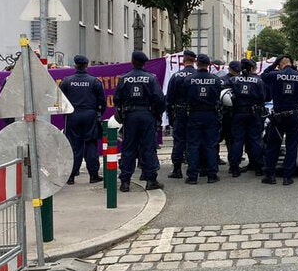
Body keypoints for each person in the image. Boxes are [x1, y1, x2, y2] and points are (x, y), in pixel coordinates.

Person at [113, 51, 165, 192]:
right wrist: (156, 114)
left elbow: (117, 99)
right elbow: (160, 100)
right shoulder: (151, 78)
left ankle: (125, 182)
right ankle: (151, 180)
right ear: (144, 63)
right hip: (147, 115)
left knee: (128, 148)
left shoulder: (124, 78)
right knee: (148, 147)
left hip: (130, 116)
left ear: (132, 61)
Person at [59, 56, 106, 184]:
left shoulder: (67, 81)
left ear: (75, 66)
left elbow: (60, 99)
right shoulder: (94, 81)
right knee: (91, 144)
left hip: (72, 115)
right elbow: (102, 101)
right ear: (86, 65)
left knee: (74, 146)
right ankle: (93, 175)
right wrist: (98, 113)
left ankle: (71, 176)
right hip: (90, 115)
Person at [261, 54, 298, 185]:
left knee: (273, 145)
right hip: (294, 114)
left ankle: (270, 175)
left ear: (280, 64)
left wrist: (273, 65)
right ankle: (287, 177)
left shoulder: (275, 75)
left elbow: (263, 76)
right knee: (291, 146)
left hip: (278, 116)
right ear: (291, 63)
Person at [182, 54, 224, 184]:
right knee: (211, 145)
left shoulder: (189, 80)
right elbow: (219, 97)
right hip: (211, 114)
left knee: (193, 145)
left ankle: (193, 176)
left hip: (194, 114)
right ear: (209, 65)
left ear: (197, 63)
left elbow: (184, 97)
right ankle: (212, 174)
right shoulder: (216, 80)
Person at [227, 58, 266, 178]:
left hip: (238, 113)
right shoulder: (258, 81)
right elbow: (262, 98)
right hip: (254, 114)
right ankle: (258, 168)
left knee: (237, 141)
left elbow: (226, 93)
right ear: (251, 68)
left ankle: (234, 168)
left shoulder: (233, 80)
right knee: (255, 140)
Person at [165, 50, 196, 179]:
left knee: (179, 141)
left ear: (184, 60)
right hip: (195, 112)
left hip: (180, 111)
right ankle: (193, 168)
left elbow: (169, 99)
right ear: (194, 61)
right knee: (193, 140)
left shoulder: (176, 76)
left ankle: (177, 169)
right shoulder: (198, 76)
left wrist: (171, 116)